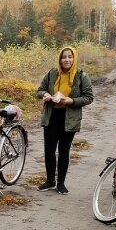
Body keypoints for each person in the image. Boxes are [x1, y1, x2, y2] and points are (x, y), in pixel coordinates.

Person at [36, 46, 94, 194]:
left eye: (69, 57)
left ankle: (61, 183)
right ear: (60, 59)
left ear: (74, 58)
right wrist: (45, 95)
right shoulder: (52, 73)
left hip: (70, 119)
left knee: (63, 151)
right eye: (63, 57)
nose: (66, 60)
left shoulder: (81, 76)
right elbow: (40, 90)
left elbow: (89, 97)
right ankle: (50, 181)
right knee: (49, 150)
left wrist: (72, 101)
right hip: (51, 116)